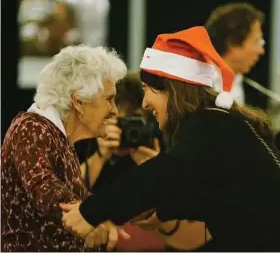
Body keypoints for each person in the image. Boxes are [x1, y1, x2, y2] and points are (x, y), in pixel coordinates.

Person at [61, 26, 280, 251]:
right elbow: (216, 198)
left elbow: (160, 174)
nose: (145, 103)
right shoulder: (218, 122)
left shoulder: (211, 126)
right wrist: (165, 211)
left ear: (171, 90)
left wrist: (90, 213)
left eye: (147, 89)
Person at [1, 45, 127, 251]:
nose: (113, 110)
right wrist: (90, 218)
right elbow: (43, 187)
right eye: (109, 99)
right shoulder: (31, 128)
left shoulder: (57, 138)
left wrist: (105, 216)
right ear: (78, 101)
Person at [75, 73, 165, 251]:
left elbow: (172, 214)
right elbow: (70, 196)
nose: (130, 131)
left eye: (136, 123)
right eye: (123, 123)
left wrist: (155, 169)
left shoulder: (158, 144)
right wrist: (100, 157)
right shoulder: (87, 141)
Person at [205, 2, 265, 105]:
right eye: (257, 42)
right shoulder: (198, 83)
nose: (261, 51)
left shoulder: (249, 89)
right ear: (233, 42)